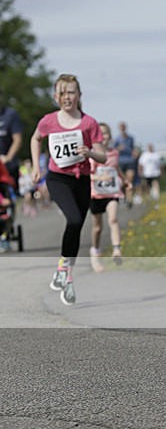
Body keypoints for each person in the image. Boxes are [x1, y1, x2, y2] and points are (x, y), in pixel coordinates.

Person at [30, 73, 106, 305]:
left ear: (79, 95)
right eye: (62, 93)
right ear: (56, 96)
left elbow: (102, 155)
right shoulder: (48, 121)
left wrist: (90, 152)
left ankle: (66, 274)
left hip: (82, 180)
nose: (67, 97)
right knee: (73, 219)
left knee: (76, 227)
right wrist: (36, 166)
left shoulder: (89, 123)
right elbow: (36, 139)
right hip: (58, 179)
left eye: (71, 92)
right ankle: (64, 268)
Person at [89, 122, 128, 272]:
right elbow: (88, 175)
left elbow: (116, 169)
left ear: (110, 137)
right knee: (97, 228)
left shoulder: (114, 154)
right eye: (100, 134)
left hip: (112, 192)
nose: (103, 137)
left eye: (105, 133)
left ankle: (117, 249)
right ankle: (95, 252)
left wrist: (124, 181)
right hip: (96, 193)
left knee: (113, 219)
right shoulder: (92, 155)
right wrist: (97, 179)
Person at [0, 88, 23, 195]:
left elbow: (17, 139)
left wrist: (8, 157)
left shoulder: (11, 114)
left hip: (7, 165)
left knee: (8, 199)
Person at [113, 121, 137, 207]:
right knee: (122, 182)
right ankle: (123, 196)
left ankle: (129, 199)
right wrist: (118, 148)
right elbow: (113, 150)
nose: (122, 128)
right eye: (121, 127)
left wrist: (135, 153)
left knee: (130, 179)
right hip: (120, 162)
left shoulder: (130, 138)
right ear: (119, 128)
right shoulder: (117, 139)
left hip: (130, 161)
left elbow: (133, 148)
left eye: (124, 126)